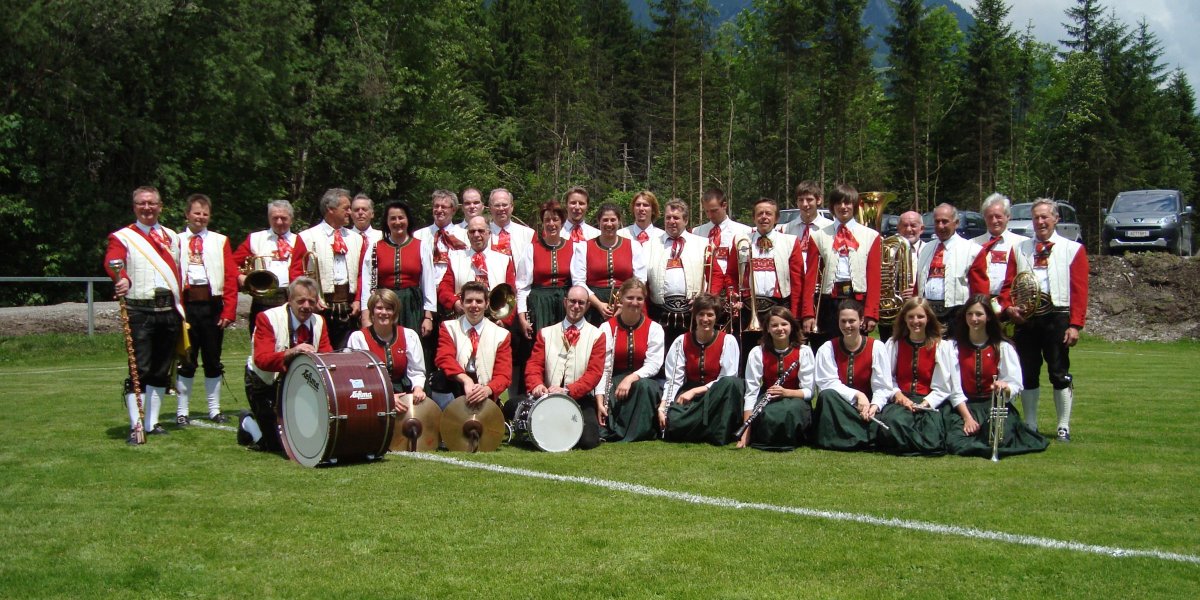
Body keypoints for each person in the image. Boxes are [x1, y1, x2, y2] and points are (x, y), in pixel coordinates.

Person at [105, 186, 184, 443]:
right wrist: (121, 278)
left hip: (168, 309)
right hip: (140, 308)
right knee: (139, 369)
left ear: (160, 206)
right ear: (134, 207)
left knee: (161, 370)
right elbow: (113, 260)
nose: (147, 208)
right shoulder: (123, 237)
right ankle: (136, 424)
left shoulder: (173, 236)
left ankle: (153, 422)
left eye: (151, 203)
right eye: (141, 203)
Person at [1010, 199, 1088, 443]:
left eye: (1045, 217)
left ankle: (1063, 425)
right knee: (1028, 372)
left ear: (1056, 219)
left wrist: (1075, 324)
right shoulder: (1020, 248)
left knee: (1058, 371)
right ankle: (1031, 423)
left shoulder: (1072, 248)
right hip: (1027, 318)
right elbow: (1008, 285)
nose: (1040, 222)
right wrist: (1010, 308)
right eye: (1036, 218)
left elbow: (1079, 289)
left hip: (1057, 316)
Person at [944, 295, 1049, 457]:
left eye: (979, 314)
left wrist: (1004, 388)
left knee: (999, 438)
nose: (974, 319)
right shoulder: (954, 348)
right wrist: (967, 418)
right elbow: (954, 388)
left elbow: (1015, 384)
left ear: (989, 318)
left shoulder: (1003, 347)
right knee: (953, 440)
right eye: (969, 314)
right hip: (965, 406)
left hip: (994, 407)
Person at [239, 277, 333, 451]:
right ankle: (247, 422)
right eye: (301, 301)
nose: (306, 306)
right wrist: (293, 351)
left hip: (297, 384)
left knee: (304, 438)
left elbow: (326, 356)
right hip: (263, 383)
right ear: (289, 300)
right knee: (277, 446)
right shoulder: (266, 318)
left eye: (311, 301)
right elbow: (261, 360)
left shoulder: (320, 321)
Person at [720, 197, 811, 371]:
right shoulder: (740, 240)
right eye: (759, 214)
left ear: (776, 218)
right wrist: (733, 296)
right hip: (748, 309)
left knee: (777, 358)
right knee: (745, 357)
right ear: (754, 218)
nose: (764, 217)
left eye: (768, 214)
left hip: (777, 308)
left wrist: (796, 313)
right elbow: (730, 274)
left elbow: (797, 282)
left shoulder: (790, 242)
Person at [174, 194, 238, 426]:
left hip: (212, 307)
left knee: (212, 360)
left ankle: (214, 409)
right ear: (187, 214)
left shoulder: (220, 241)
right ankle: (182, 411)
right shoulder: (176, 240)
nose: (200, 218)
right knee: (187, 360)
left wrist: (229, 311)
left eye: (205, 214)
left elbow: (230, 278)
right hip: (187, 306)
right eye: (196, 213)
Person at [520, 285, 607, 450]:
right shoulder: (545, 333)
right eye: (572, 301)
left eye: (581, 303)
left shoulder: (597, 335)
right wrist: (536, 385)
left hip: (579, 398)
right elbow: (534, 365)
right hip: (546, 396)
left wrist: (568, 390)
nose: (576, 306)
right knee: (512, 405)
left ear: (588, 305)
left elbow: (594, 374)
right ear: (565, 302)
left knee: (589, 441)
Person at [657, 293, 745, 445]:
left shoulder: (728, 341)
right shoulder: (681, 341)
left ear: (716, 317)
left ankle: (702, 429)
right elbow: (673, 379)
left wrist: (696, 391)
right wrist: (663, 407)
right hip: (690, 398)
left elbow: (726, 379)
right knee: (674, 420)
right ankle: (708, 429)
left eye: (710, 315)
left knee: (731, 383)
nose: (705, 319)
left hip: (718, 396)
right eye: (701, 314)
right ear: (695, 316)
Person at [874, 298, 955, 455]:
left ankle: (911, 444)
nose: (915, 321)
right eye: (911, 317)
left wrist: (925, 404)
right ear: (904, 318)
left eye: (920, 317)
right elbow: (887, 378)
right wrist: (898, 395)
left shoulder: (941, 347)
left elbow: (943, 386)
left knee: (931, 430)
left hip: (928, 401)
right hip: (901, 400)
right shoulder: (894, 344)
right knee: (894, 422)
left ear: (928, 318)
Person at [805, 185, 882, 350]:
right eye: (838, 203)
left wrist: (871, 313)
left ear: (854, 205)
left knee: (855, 348)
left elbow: (874, 278)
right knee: (826, 349)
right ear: (832, 207)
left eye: (847, 203)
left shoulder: (871, 236)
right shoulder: (818, 236)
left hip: (857, 300)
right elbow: (810, 277)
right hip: (828, 304)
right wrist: (808, 313)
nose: (843, 207)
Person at [290, 187, 366, 350]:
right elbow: (296, 274)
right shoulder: (306, 237)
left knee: (346, 353)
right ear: (330, 209)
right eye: (345, 208)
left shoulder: (357, 239)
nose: (350, 213)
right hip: (319, 306)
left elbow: (361, 274)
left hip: (349, 307)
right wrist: (312, 298)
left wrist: (358, 299)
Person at [812, 300, 893, 451]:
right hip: (839, 407)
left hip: (867, 409)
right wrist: (857, 395)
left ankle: (851, 436)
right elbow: (827, 383)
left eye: (852, 321)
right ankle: (862, 437)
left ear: (861, 321)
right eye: (843, 321)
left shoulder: (877, 347)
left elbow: (882, 386)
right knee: (827, 396)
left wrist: (874, 406)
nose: (847, 325)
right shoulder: (827, 348)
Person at [739, 306, 815, 451]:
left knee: (789, 411)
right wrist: (746, 430)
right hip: (768, 397)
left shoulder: (804, 352)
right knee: (766, 413)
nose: (780, 329)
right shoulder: (757, 352)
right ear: (767, 328)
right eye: (774, 325)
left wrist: (786, 393)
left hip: (795, 399)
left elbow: (809, 392)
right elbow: (751, 392)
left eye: (784, 324)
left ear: (792, 326)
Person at [598, 278, 665, 442]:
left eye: (639, 299)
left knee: (645, 386)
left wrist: (631, 378)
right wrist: (599, 400)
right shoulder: (606, 328)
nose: (634, 302)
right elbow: (603, 367)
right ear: (620, 298)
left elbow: (654, 364)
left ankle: (638, 432)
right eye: (630, 298)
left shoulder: (654, 328)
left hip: (643, 380)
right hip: (613, 380)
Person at [432, 281, 513, 409]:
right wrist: (466, 380)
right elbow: (444, 358)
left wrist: (488, 389)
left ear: (487, 304)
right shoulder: (448, 327)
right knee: (439, 378)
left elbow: (504, 374)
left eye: (479, 301)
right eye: (469, 301)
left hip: (485, 386)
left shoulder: (502, 334)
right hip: (458, 382)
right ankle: (447, 418)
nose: (474, 305)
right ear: (462, 303)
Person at [346, 288, 427, 414]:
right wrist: (387, 397)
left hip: (403, 395)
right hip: (371, 397)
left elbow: (417, 371)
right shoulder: (358, 338)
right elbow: (358, 379)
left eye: (389, 308)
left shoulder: (409, 335)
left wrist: (418, 388)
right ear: (372, 311)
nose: (384, 312)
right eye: (379, 308)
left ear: (395, 312)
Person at [645, 199, 711, 351]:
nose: (671, 221)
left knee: (691, 354)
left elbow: (715, 275)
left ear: (686, 220)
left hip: (693, 311)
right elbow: (642, 281)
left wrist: (705, 300)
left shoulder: (703, 244)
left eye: (676, 218)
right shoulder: (650, 245)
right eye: (668, 217)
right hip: (660, 312)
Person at [914, 203, 988, 335]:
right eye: (937, 222)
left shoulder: (972, 250)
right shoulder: (925, 249)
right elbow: (918, 284)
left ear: (956, 223)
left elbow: (980, 291)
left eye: (945, 222)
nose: (940, 226)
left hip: (958, 315)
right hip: (927, 314)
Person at [413, 189, 468, 368]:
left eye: (444, 206)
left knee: (452, 346)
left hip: (452, 299)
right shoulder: (419, 236)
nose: (439, 210)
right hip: (425, 297)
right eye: (436, 206)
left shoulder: (463, 235)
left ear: (453, 210)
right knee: (425, 346)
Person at [358, 200, 430, 334]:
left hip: (412, 305)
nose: (397, 222)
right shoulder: (375, 247)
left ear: (408, 220)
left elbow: (428, 283)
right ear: (387, 222)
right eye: (392, 218)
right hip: (384, 305)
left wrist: (428, 316)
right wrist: (366, 315)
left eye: (401, 217)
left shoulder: (421, 246)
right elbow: (367, 284)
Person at [571, 202, 647, 325]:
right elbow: (578, 281)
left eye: (613, 220)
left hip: (627, 305)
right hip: (594, 306)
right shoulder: (584, 247)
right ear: (599, 221)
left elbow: (640, 280)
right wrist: (599, 304)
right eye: (605, 220)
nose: (609, 224)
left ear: (619, 221)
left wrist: (622, 303)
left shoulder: (634, 245)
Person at [233, 199, 296, 335]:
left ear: (291, 219)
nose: (279, 222)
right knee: (260, 340)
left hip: (291, 300)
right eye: (275, 218)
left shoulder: (300, 240)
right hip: (262, 301)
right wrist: (240, 276)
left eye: (283, 218)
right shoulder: (255, 239)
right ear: (269, 218)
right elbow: (231, 263)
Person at [437, 215, 516, 323]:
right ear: (468, 235)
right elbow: (444, 288)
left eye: (481, 231)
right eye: (472, 231)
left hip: (495, 322)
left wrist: (505, 320)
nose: (476, 235)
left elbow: (512, 295)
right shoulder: (455, 258)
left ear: (489, 233)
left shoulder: (505, 260)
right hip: (463, 321)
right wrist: (455, 303)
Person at [517, 200, 575, 339]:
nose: (551, 224)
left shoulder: (574, 247)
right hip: (539, 304)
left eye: (555, 219)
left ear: (562, 221)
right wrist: (522, 317)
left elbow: (578, 281)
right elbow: (522, 287)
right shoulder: (531, 249)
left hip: (565, 304)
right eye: (547, 220)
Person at [971, 193, 1027, 322]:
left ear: (1008, 217)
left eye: (998, 216)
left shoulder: (1022, 244)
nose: (994, 221)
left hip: (1011, 306)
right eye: (990, 217)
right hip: (980, 305)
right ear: (984, 218)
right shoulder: (972, 245)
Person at [691, 188, 752, 295]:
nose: (710, 216)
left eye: (714, 210)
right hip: (707, 290)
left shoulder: (745, 231)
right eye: (706, 211)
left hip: (734, 289)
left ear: (724, 205)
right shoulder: (697, 232)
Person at [877, 210, 925, 342]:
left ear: (922, 229)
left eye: (913, 225)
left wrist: (918, 291)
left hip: (919, 311)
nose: (908, 229)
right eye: (904, 225)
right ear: (898, 228)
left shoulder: (929, 250)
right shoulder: (887, 248)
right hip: (891, 312)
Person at [487, 187, 536, 259]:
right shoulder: (481, 234)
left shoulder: (528, 234)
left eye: (504, 205)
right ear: (490, 208)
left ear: (512, 207)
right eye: (497, 205)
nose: (501, 208)